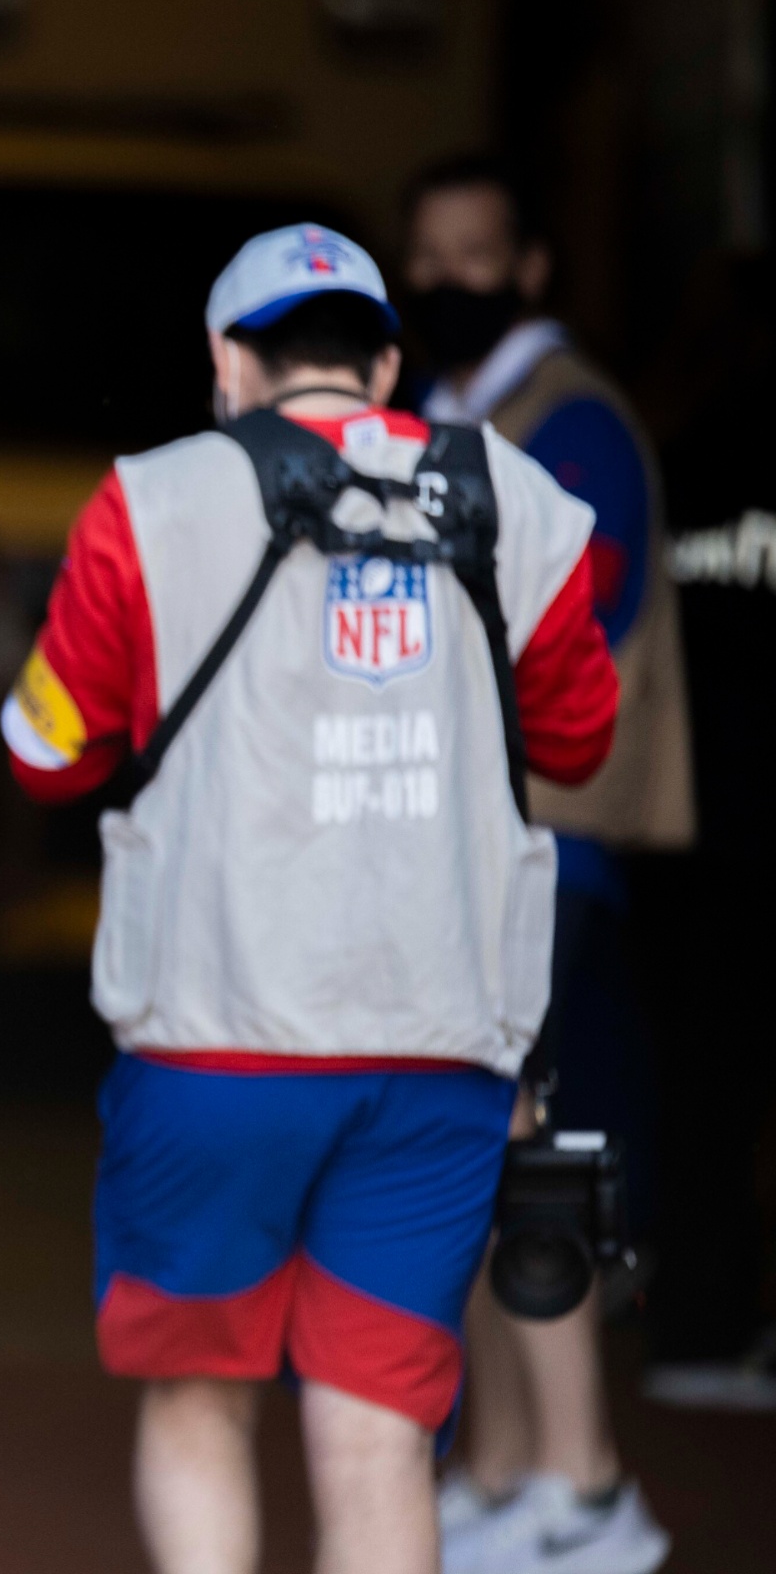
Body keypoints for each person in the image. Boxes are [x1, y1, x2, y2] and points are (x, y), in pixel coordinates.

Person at [2, 224, 617, 1574]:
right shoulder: (518, 499)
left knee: (200, 1400)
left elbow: (45, 754)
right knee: (380, 1432)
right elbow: (579, 741)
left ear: (229, 362)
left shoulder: (150, 501)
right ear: (385, 366)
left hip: (215, 1041)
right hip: (439, 1050)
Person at [400, 153, 686, 1574]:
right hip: (446, 840)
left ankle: (585, 1485)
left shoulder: (575, 422)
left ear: (529, 268)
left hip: (541, 844)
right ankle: (506, 1467)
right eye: (427, 253)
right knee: (465, 1145)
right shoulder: (432, 413)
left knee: (528, 1155)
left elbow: (566, 630)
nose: (447, 277)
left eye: (476, 252)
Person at [633, 255, 776, 1412]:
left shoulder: (668, 456)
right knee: (709, 1084)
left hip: (687, 825)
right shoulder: (683, 454)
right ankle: (703, 1322)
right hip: (727, 820)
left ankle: (691, 1317)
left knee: (697, 1083)